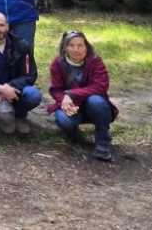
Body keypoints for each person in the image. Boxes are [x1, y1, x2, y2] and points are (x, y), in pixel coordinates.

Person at [48, 31, 118, 162]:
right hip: (72, 106)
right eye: (71, 45)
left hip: (93, 106)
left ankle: (103, 142)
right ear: (65, 47)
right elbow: (55, 89)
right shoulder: (57, 63)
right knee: (64, 120)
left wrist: (71, 94)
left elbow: (100, 86)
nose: (76, 49)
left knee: (96, 101)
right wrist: (64, 100)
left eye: (80, 45)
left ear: (86, 46)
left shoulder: (95, 61)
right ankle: (75, 137)